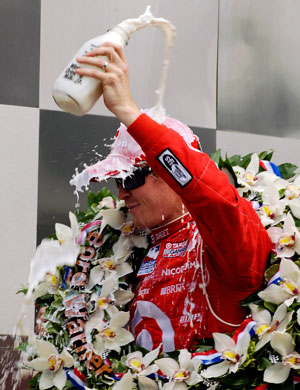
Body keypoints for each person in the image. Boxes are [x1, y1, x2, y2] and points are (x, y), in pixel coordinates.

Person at [74, 43, 272, 353]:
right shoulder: (125, 248)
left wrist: (129, 113)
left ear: (169, 174)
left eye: (130, 178)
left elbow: (215, 200)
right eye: (117, 181)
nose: (122, 193)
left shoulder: (225, 243)